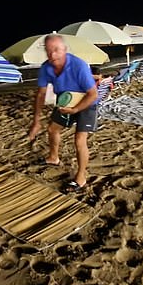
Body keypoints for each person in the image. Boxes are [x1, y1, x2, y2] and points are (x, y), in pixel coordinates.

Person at [28, 34, 98, 192]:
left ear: (65, 50)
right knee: (52, 129)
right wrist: (36, 121)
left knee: (79, 139)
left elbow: (93, 94)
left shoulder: (78, 66)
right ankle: (53, 158)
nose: (52, 55)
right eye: (48, 51)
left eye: (56, 50)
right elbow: (40, 94)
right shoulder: (46, 67)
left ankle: (81, 178)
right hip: (66, 101)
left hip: (87, 102)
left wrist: (75, 110)